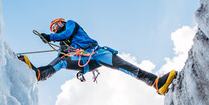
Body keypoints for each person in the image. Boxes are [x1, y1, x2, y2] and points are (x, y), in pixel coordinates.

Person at [18, 18, 176, 95]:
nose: (55, 29)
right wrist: (53, 48)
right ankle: (39, 74)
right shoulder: (63, 44)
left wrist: (50, 37)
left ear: (61, 22)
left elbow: (68, 33)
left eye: (56, 25)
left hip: (96, 52)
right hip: (86, 61)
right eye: (52, 29)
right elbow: (59, 57)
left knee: (126, 66)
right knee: (62, 61)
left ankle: (156, 83)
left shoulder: (70, 24)